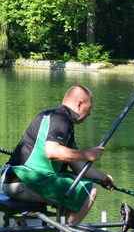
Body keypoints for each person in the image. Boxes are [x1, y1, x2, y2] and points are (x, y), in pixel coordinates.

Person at [1, 85, 114, 223]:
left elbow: (77, 166)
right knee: (88, 190)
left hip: (20, 180)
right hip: (23, 180)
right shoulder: (60, 118)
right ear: (79, 104)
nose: (89, 113)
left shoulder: (59, 118)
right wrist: (87, 154)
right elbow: (52, 152)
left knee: (73, 182)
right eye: (88, 108)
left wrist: (102, 177)